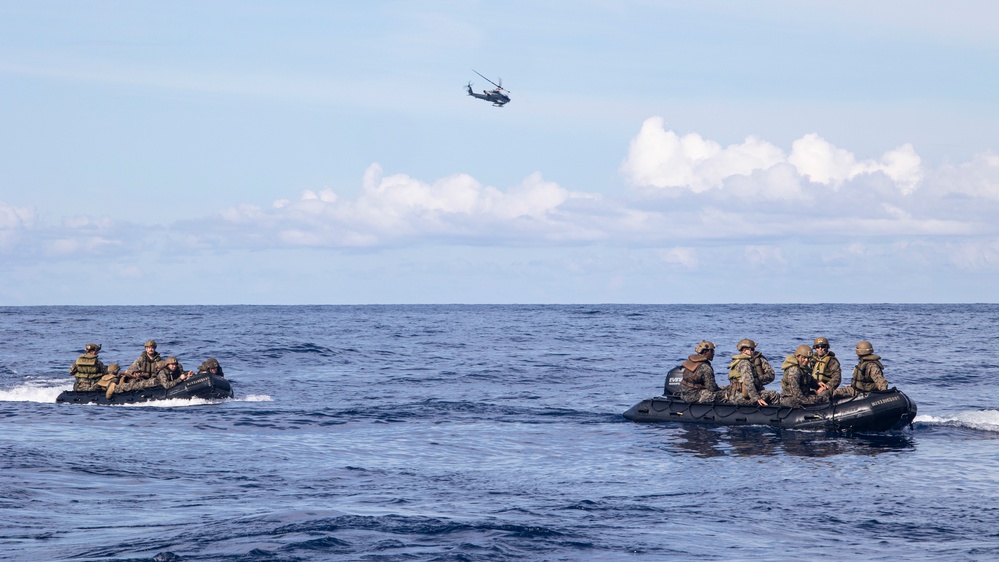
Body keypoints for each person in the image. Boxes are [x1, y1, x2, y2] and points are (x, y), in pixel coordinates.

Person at [724, 339, 778, 406]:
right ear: (744, 350)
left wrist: (757, 380)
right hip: (739, 397)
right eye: (751, 349)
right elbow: (748, 382)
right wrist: (757, 398)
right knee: (774, 395)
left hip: (739, 395)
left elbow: (771, 375)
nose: (754, 351)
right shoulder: (744, 363)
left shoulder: (754, 360)